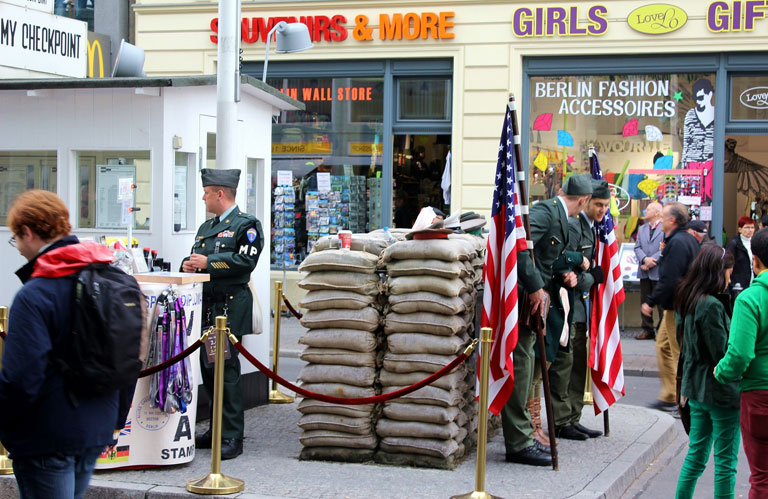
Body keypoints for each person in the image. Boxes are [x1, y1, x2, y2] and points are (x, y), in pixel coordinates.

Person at [0, 190, 133, 499]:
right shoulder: (109, 277)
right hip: (95, 427)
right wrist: (114, 420)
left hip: (46, 434)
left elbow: (22, 378)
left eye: (15, 238)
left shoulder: (36, 294)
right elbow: (128, 355)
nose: (17, 247)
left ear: (28, 232)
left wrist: (8, 426)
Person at [503, 173, 592, 466]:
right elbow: (519, 247)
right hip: (523, 300)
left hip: (537, 303)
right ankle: (518, 442)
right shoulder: (546, 212)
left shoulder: (559, 215)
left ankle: (524, 436)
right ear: (584, 200)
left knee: (528, 366)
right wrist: (535, 286)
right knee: (522, 368)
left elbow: (544, 257)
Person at [181, 168, 264, 460]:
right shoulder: (206, 227)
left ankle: (231, 435)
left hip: (228, 308)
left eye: (206, 193)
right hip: (207, 307)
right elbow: (196, 257)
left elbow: (245, 261)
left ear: (220, 193)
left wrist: (209, 262)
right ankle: (216, 429)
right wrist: (188, 264)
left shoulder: (247, 225)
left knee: (226, 370)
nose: (203, 198)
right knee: (209, 369)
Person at [674, 246, 739, 498]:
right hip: (720, 392)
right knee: (725, 463)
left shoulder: (688, 298)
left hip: (696, 390)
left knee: (695, 456)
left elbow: (684, 348)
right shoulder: (711, 305)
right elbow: (721, 353)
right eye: (728, 274)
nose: (729, 281)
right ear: (717, 272)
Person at [549, 179, 611, 441]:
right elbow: (564, 270)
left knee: (577, 366)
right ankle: (561, 420)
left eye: (606, 206)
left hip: (582, 308)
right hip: (568, 307)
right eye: (598, 205)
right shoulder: (574, 226)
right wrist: (591, 278)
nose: (602, 210)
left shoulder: (592, 227)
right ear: (586, 202)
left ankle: (573, 417)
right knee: (565, 366)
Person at [715, 228, 768, 498]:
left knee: (762, 477)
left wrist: (721, 372)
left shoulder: (749, 299)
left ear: (754, 260)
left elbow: (740, 355)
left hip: (759, 394)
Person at [641, 202, 700, 412]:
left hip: (677, 306)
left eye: (663, 217)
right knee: (664, 347)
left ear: (672, 220)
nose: (660, 220)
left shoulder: (678, 243)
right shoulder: (685, 239)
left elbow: (670, 279)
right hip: (676, 305)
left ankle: (683, 399)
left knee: (676, 352)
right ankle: (670, 394)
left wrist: (651, 301)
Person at [634, 202, 664, 340]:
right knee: (644, 300)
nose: (645, 211)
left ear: (657, 212)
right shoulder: (642, 228)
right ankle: (647, 329)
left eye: (649, 209)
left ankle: (662, 331)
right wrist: (645, 259)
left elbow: (666, 247)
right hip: (644, 270)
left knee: (661, 303)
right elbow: (637, 247)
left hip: (658, 270)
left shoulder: (664, 228)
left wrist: (653, 261)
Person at [726, 216, 755, 302]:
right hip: (738, 285)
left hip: (753, 282)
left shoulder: (755, 243)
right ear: (740, 229)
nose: (750, 230)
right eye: (747, 227)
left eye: (752, 227)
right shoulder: (734, 244)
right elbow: (728, 265)